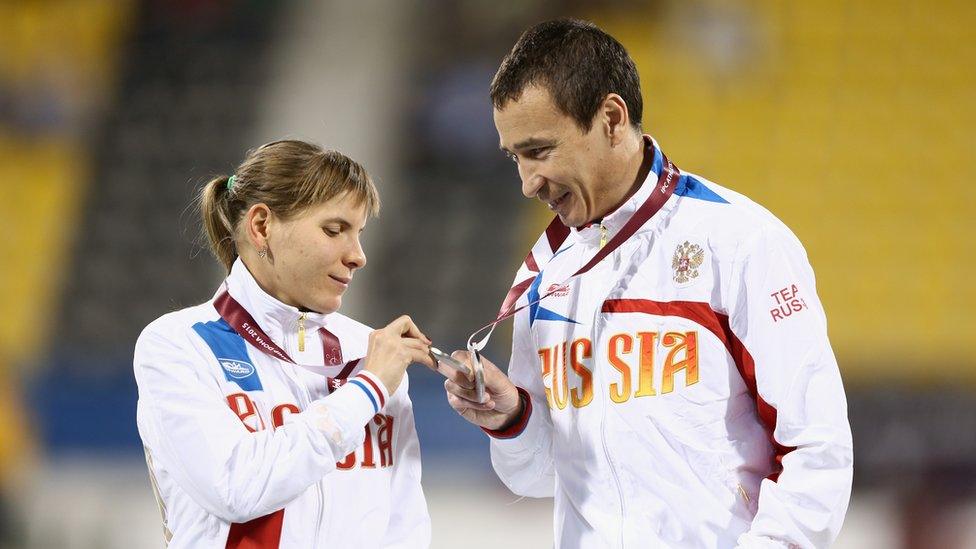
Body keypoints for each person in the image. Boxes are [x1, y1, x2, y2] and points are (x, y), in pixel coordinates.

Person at [441, 19, 853, 548]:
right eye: (515, 157)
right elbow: (542, 476)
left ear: (611, 118)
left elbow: (817, 451)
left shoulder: (740, 241)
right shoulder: (544, 275)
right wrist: (513, 420)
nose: (527, 183)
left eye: (539, 151)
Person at [134, 140, 434, 548]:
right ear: (262, 226)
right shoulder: (178, 346)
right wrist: (367, 390)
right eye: (334, 230)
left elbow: (404, 525)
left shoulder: (370, 350)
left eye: (359, 233)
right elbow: (237, 488)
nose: (358, 255)